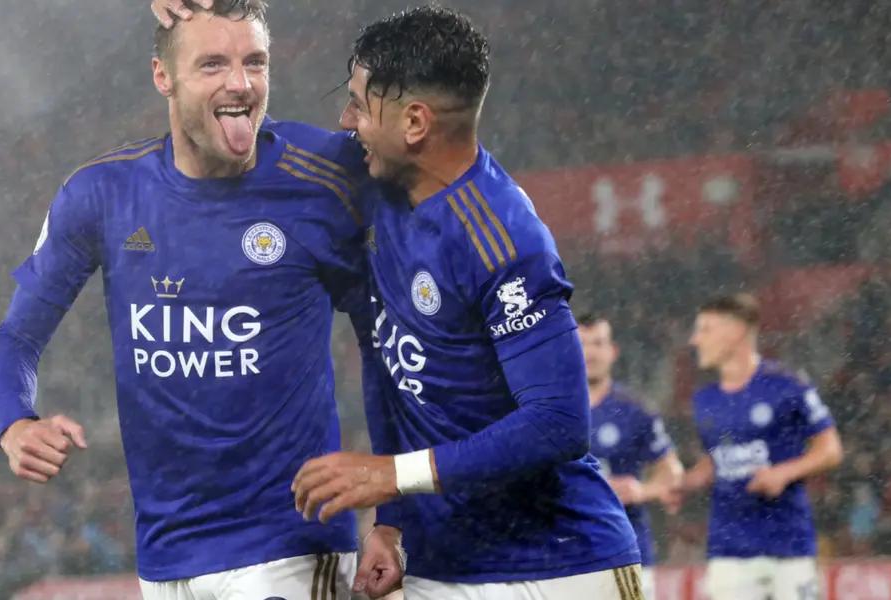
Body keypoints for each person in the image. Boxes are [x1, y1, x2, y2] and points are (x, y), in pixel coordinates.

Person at [0, 1, 380, 597]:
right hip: (165, 555)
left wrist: (397, 510)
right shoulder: (102, 194)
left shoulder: (324, 177)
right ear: (162, 76)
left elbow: (386, 343)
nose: (240, 83)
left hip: (288, 543)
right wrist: (15, 421)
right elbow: (17, 337)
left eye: (255, 62)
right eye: (213, 64)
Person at [289, 7, 644, 599]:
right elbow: (388, 364)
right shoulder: (375, 192)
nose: (345, 121)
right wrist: (392, 520)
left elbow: (558, 423)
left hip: (560, 567)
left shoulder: (504, 238)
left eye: (358, 104)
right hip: (442, 566)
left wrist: (391, 476)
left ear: (414, 122)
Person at [683, 293, 843, 600]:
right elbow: (714, 460)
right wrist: (684, 483)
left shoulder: (786, 385)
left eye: (705, 329)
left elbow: (830, 449)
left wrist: (784, 473)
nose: (695, 339)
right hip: (729, 548)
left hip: (789, 544)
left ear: (735, 332)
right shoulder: (704, 400)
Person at [578, 314, 684, 599]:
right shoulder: (548, 410)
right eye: (582, 344)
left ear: (613, 351)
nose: (590, 353)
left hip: (625, 553)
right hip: (566, 555)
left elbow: (672, 472)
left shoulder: (635, 410)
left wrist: (641, 490)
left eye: (598, 343)